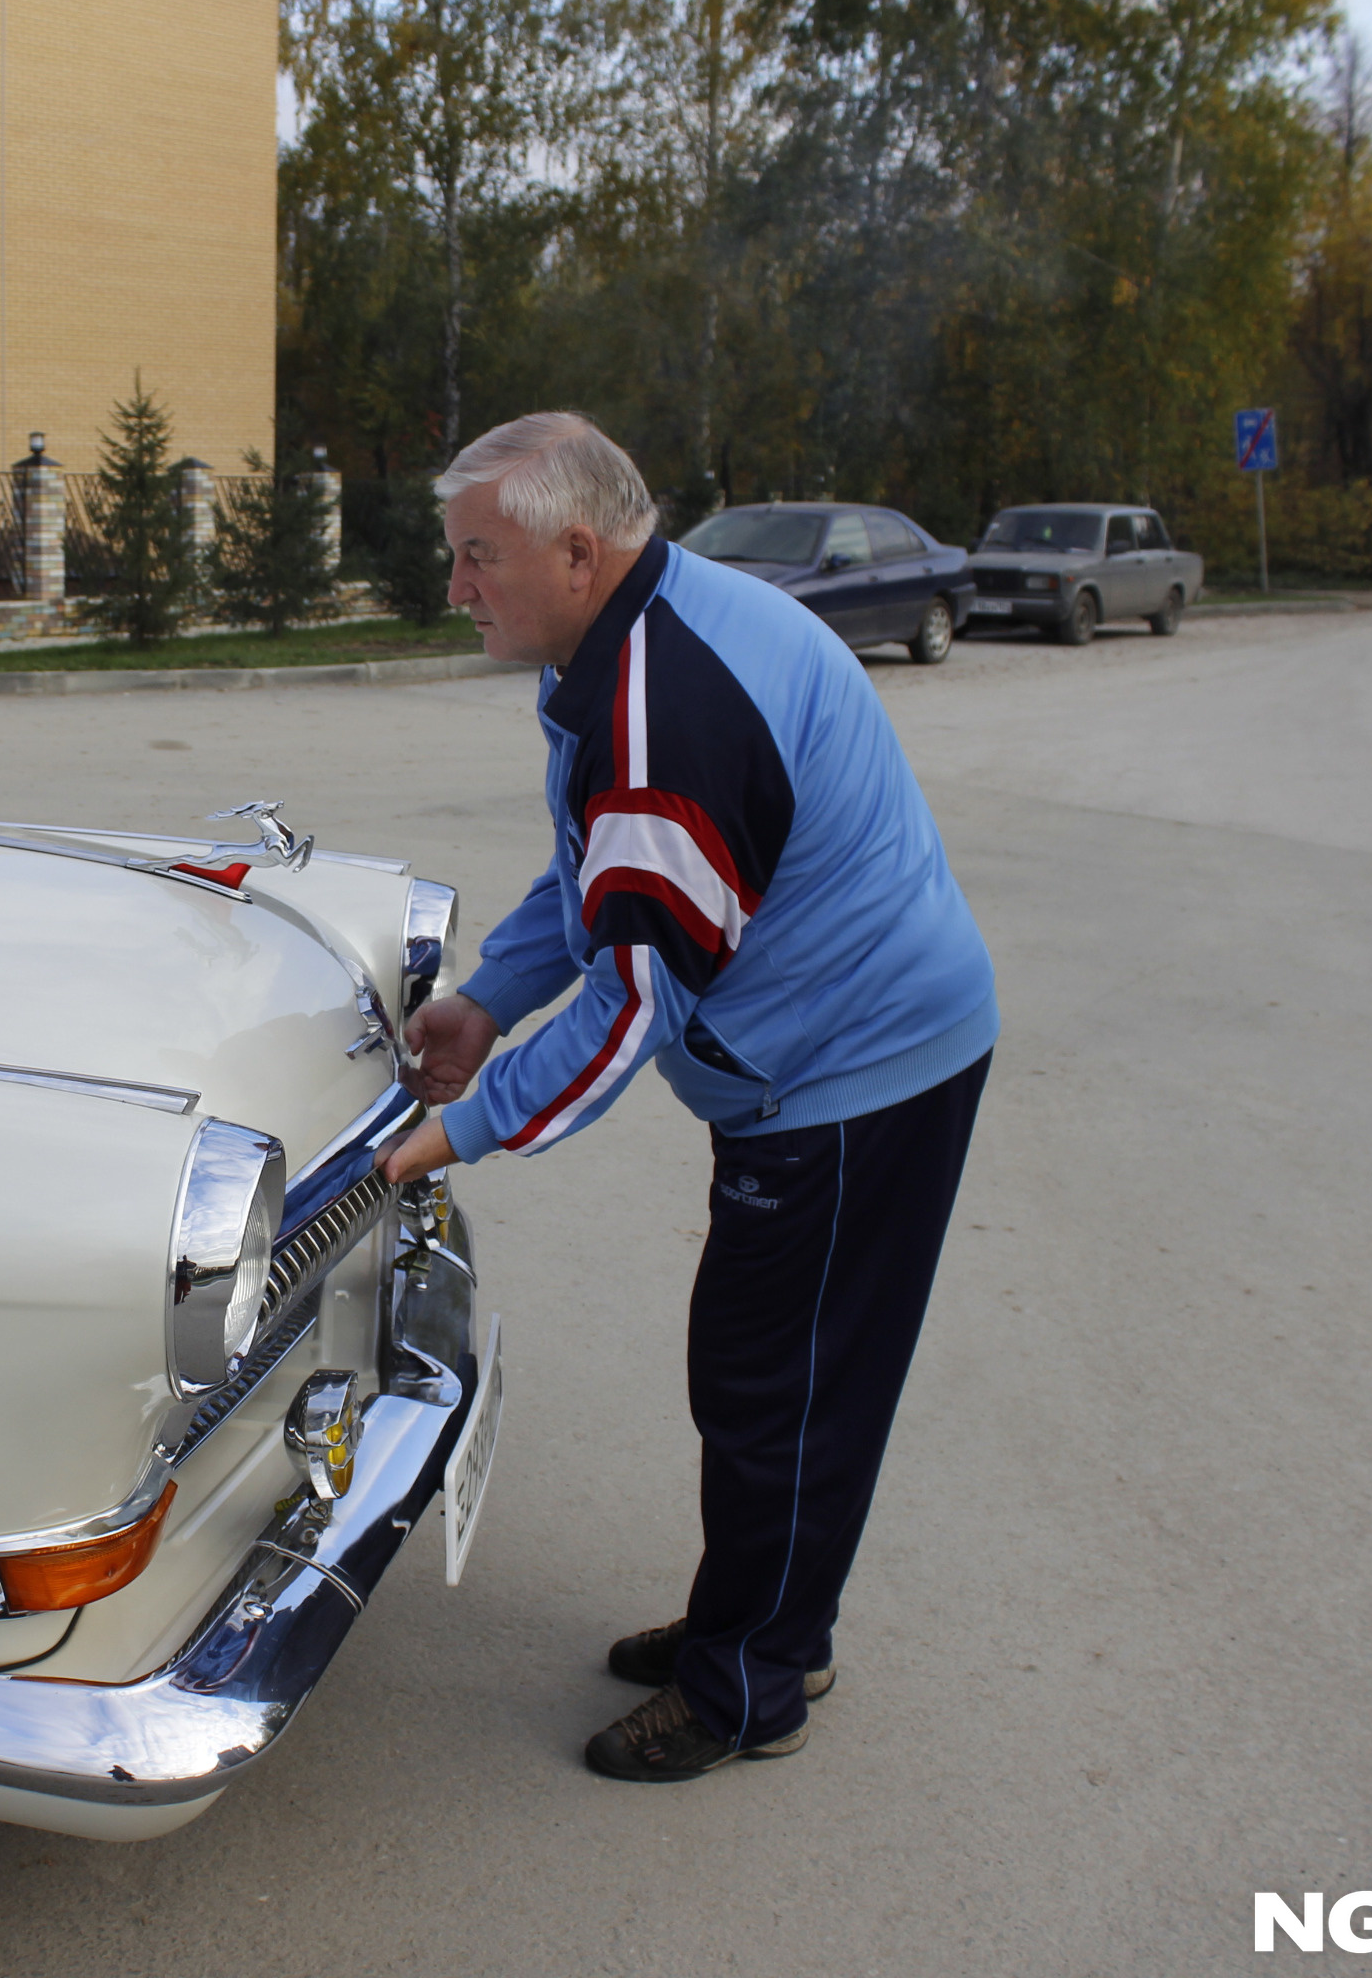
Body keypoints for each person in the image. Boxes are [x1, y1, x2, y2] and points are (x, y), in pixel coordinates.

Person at [371, 414, 998, 1782]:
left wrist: (452, 1133)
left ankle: (752, 1683)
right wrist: (488, 1000)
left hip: (855, 1076)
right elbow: (603, 878)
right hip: (837, 1055)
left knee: (781, 1386)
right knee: (771, 1372)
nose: (457, 587)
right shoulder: (636, 640)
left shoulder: (667, 707)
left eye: (480, 557)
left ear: (578, 551)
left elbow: (639, 1001)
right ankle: (763, 1618)